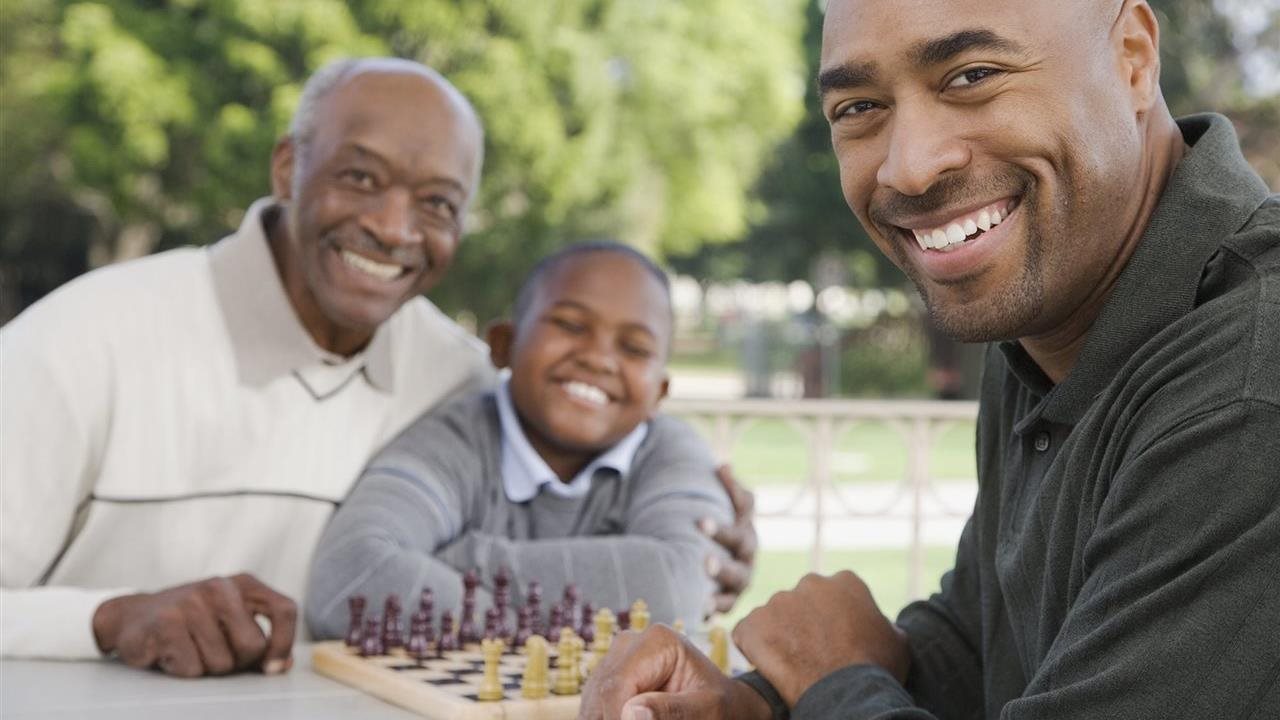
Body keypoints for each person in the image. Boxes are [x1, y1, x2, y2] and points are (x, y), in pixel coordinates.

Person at [578, 0, 1280, 718]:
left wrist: (832, 682)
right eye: (858, 108)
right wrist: (761, 704)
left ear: (1132, 56)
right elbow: (989, 647)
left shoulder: (1251, 384)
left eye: (972, 75)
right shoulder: (1059, 308)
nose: (909, 168)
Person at [0, 57, 758, 678]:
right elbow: (361, 578)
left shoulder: (458, 378)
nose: (394, 228)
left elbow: (641, 559)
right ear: (290, 167)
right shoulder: (84, 340)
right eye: (360, 177)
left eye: (437, 203)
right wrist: (107, 616)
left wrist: (700, 558)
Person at [307, 242, 733, 637]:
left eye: (635, 349)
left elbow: (679, 587)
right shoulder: (455, 440)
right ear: (503, 345)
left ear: (660, 391)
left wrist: (455, 564)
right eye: (569, 325)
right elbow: (348, 576)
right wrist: (546, 632)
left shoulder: (673, 452)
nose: (599, 358)